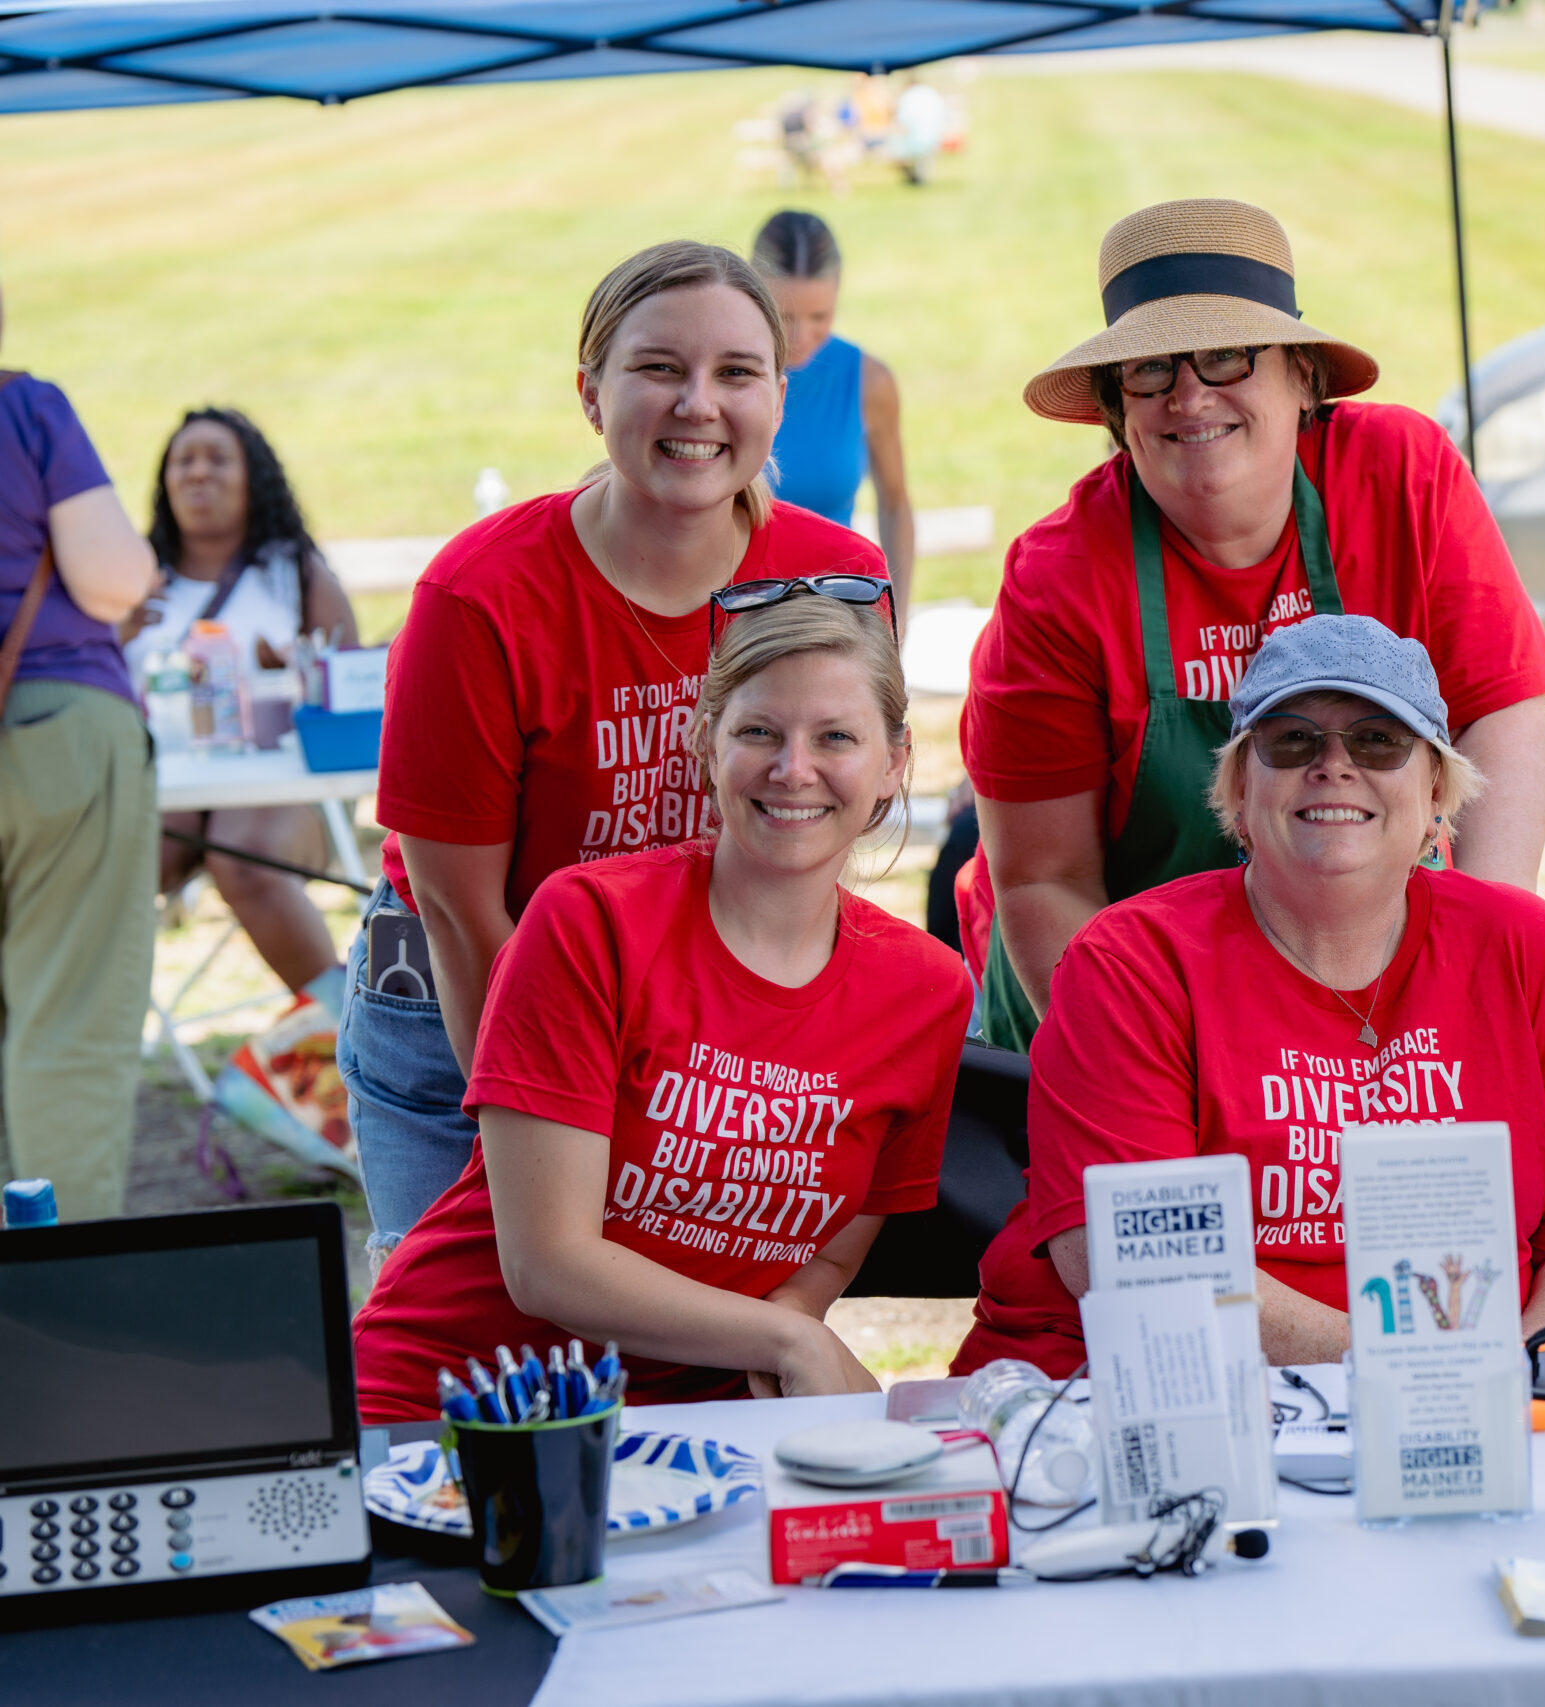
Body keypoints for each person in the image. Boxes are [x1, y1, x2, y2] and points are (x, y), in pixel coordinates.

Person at [347, 240, 890, 1258]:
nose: (697, 404)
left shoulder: (835, 580)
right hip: (469, 987)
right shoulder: (480, 598)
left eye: (735, 373)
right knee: (474, 1338)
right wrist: (558, 1132)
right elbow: (464, 916)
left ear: (780, 393)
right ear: (591, 393)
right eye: (657, 369)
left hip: (691, 995)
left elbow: (820, 839)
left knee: (678, 1338)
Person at [954, 616, 1545, 1376]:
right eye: (1291, 740)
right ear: (1237, 790)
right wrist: (1425, 1374)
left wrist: (1506, 1383)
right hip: (1146, 1398)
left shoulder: (1528, 947)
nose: (1334, 765)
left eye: (1378, 740)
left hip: (1471, 1411)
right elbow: (1137, 1261)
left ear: (1436, 795)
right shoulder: (1133, 960)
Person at [961, 198, 1545, 1054]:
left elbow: (1500, 715)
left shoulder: (1401, 474)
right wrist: (1148, 1070)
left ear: (1303, 376)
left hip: (1377, 980)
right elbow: (1047, 880)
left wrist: (1482, 961)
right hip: (1121, 1000)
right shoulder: (1060, 576)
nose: (1189, 395)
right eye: (1151, 369)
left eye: (1225, 355)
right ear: (1114, 407)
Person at [353, 590, 968, 1421]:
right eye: (758, 731)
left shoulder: (926, 991)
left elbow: (827, 1257)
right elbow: (548, 1266)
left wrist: (789, 1325)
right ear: (703, 740)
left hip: (700, 1428)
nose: (793, 768)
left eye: (836, 737)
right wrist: (793, 1343)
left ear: (895, 761)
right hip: (456, 1407)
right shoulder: (591, 922)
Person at [0, 293, 159, 1220]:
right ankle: (58, 1307)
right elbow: (111, 577)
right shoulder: (28, 407)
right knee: (69, 1020)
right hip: (55, 724)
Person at [126, 407, 359, 1013]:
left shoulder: (295, 576)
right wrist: (114, 631)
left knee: (240, 857)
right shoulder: (134, 581)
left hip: (280, 790)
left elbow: (351, 689)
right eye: (184, 460)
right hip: (161, 792)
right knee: (98, 879)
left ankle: (344, 1038)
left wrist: (288, 677)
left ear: (253, 477)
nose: (198, 473)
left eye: (218, 458)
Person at [751, 210, 913, 611]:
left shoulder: (869, 381)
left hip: (836, 614)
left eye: (819, 316)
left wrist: (897, 617)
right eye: (783, 315)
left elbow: (894, 504)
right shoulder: (720, 376)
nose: (799, 337)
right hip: (736, 614)